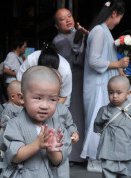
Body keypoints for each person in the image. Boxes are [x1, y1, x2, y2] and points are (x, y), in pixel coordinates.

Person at [0, 66, 71, 178]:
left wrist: (53, 150)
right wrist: (37, 145)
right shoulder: (15, 124)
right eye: (38, 98)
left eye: (52, 99)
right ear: (22, 98)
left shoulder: (57, 125)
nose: (45, 105)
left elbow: (58, 161)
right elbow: (15, 156)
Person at [81, 0, 129, 173]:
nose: (118, 23)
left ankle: (100, 156)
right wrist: (117, 64)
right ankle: (93, 159)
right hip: (97, 84)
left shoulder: (104, 32)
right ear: (114, 13)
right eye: (119, 18)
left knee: (104, 120)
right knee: (97, 119)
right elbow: (94, 61)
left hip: (103, 82)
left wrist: (119, 69)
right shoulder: (99, 31)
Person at [53, 8, 88, 164]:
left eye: (69, 16)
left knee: (82, 115)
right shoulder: (58, 40)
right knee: (73, 116)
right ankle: (73, 155)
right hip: (70, 80)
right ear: (56, 26)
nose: (67, 20)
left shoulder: (77, 34)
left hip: (82, 78)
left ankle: (83, 152)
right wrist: (80, 37)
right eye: (62, 19)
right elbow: (75, 58)